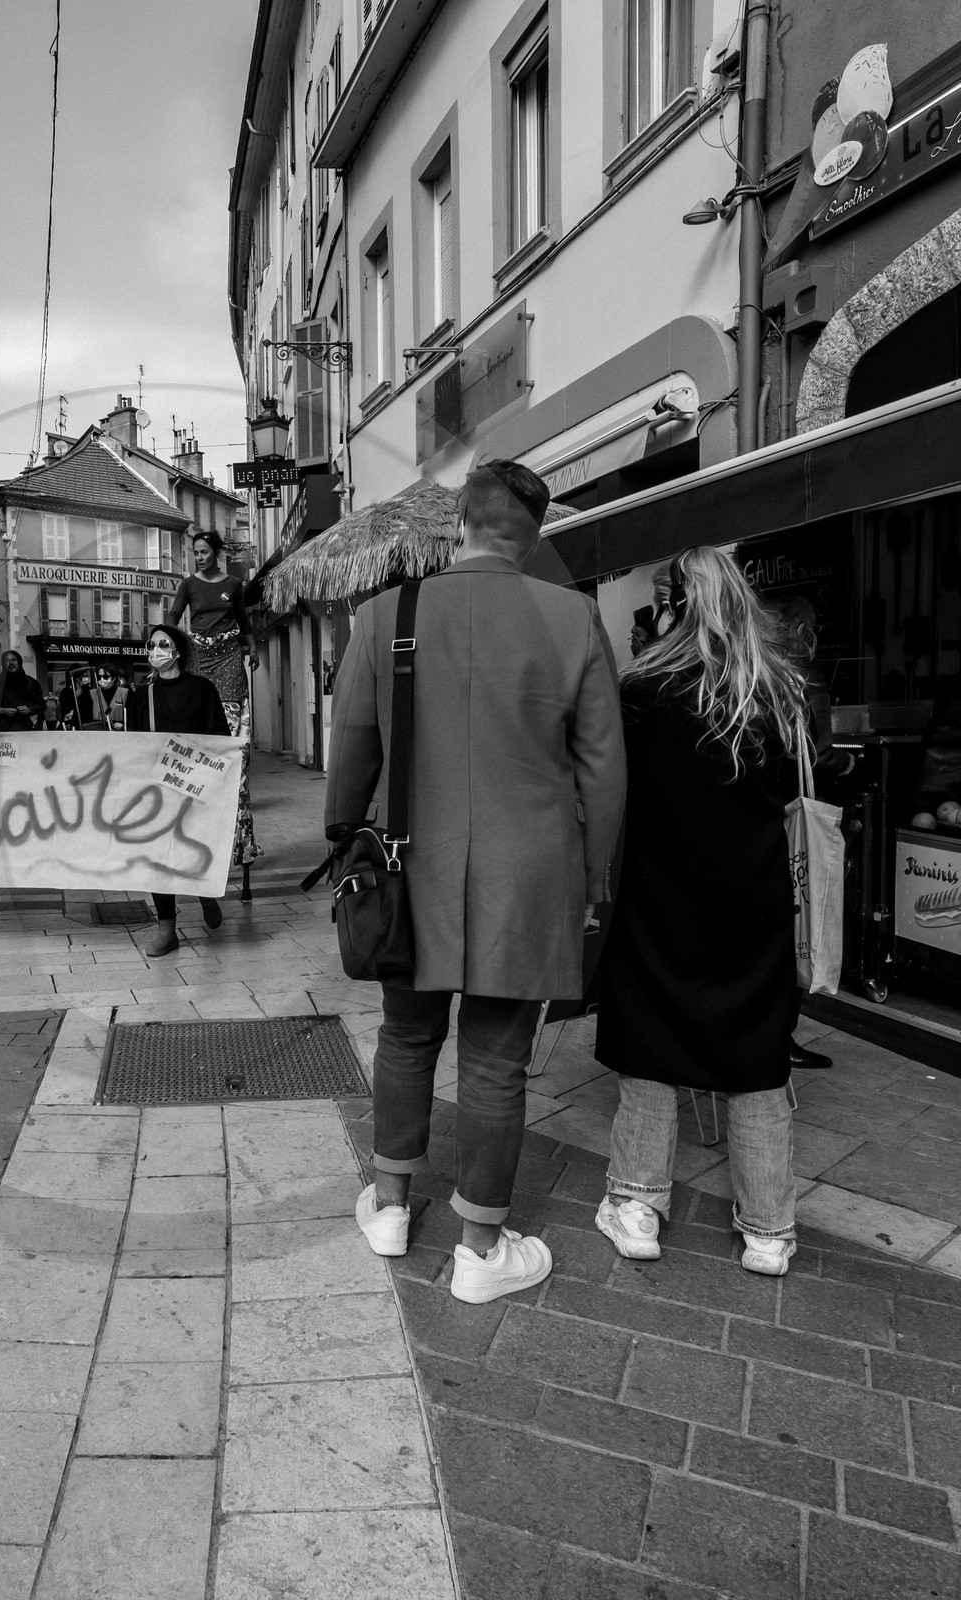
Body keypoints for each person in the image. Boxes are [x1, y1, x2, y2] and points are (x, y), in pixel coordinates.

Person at [326, 460, 627, 1304]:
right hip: (528, 875)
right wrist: (596, 876)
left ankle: (390, 1208)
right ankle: (480, 1252)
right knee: (496, 1061)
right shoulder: (572, 617)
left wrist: (346, 844)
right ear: (534, 538)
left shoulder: (386, 613)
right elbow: (603, 770)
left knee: (406, 1035)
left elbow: (351, 748)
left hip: (407, 864)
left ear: (459, 525)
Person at [594, 546, 811, 1278]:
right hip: (753, 900)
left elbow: (612, 790)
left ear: (674, 606)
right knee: (758, 1058)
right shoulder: (776, 690)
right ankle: (769, 1230)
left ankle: (637, 1206)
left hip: (660, 894)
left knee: (649, 1046)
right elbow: (784, 793)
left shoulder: (642, 693)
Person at [767, 594, 853, 1071]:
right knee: (798, 924)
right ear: (799, 630)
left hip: (764, 823)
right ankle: (780, 1034)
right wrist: (850, 762)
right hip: (793, 823)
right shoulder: (798, 680)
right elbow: (814, 756)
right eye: (812, 626)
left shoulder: (751, 674)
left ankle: (773, 1030)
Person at [123, 623, 230, 957]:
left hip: (195, 787)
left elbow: (220, 737)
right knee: (158, 858)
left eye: (163, 644)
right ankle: (167, 930)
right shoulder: (143, 695)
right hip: (157, 790)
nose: (155, 650)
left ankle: (206, 892)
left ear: (178, 651)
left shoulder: (202, 689)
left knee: (194, 849)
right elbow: (133, 744)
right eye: (151, 644)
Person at [168, 529, 262, 866]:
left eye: (204, 551)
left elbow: (242, 619)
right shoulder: (188, 584)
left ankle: (240, 837)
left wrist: (251, 647)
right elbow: (172, 618)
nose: (199, 557)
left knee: (234, 734)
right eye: (196, 552)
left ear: (217, 552)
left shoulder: (233, 585)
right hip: (198, 657)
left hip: (228, 657)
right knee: (196, 728)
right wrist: (166, 642)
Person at [0, 650, 47, 733]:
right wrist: (3, 710)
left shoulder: (30, 683)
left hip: (26, 730)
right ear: (4, 664)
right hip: (3, 731)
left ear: (19, 662)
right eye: (7, 661)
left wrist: (29, 709)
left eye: (13, 660)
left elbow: (41, 705)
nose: (11, 663)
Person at [57, 666, 107, 730]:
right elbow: (65, 709)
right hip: (71, 724)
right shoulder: (66, 691)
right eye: (81, 678)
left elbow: (89, 708)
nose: (83, 680)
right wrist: (75, 697)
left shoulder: (86, 690)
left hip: (85, 723)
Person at [96, 664, 129, 730]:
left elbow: (132, 718)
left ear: (114, 678)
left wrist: (124, 726)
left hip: (119, 735)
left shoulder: (126, 693)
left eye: (105, 677)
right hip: (97, 733)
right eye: (99, 677)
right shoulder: (91, 694)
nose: (102, 679)